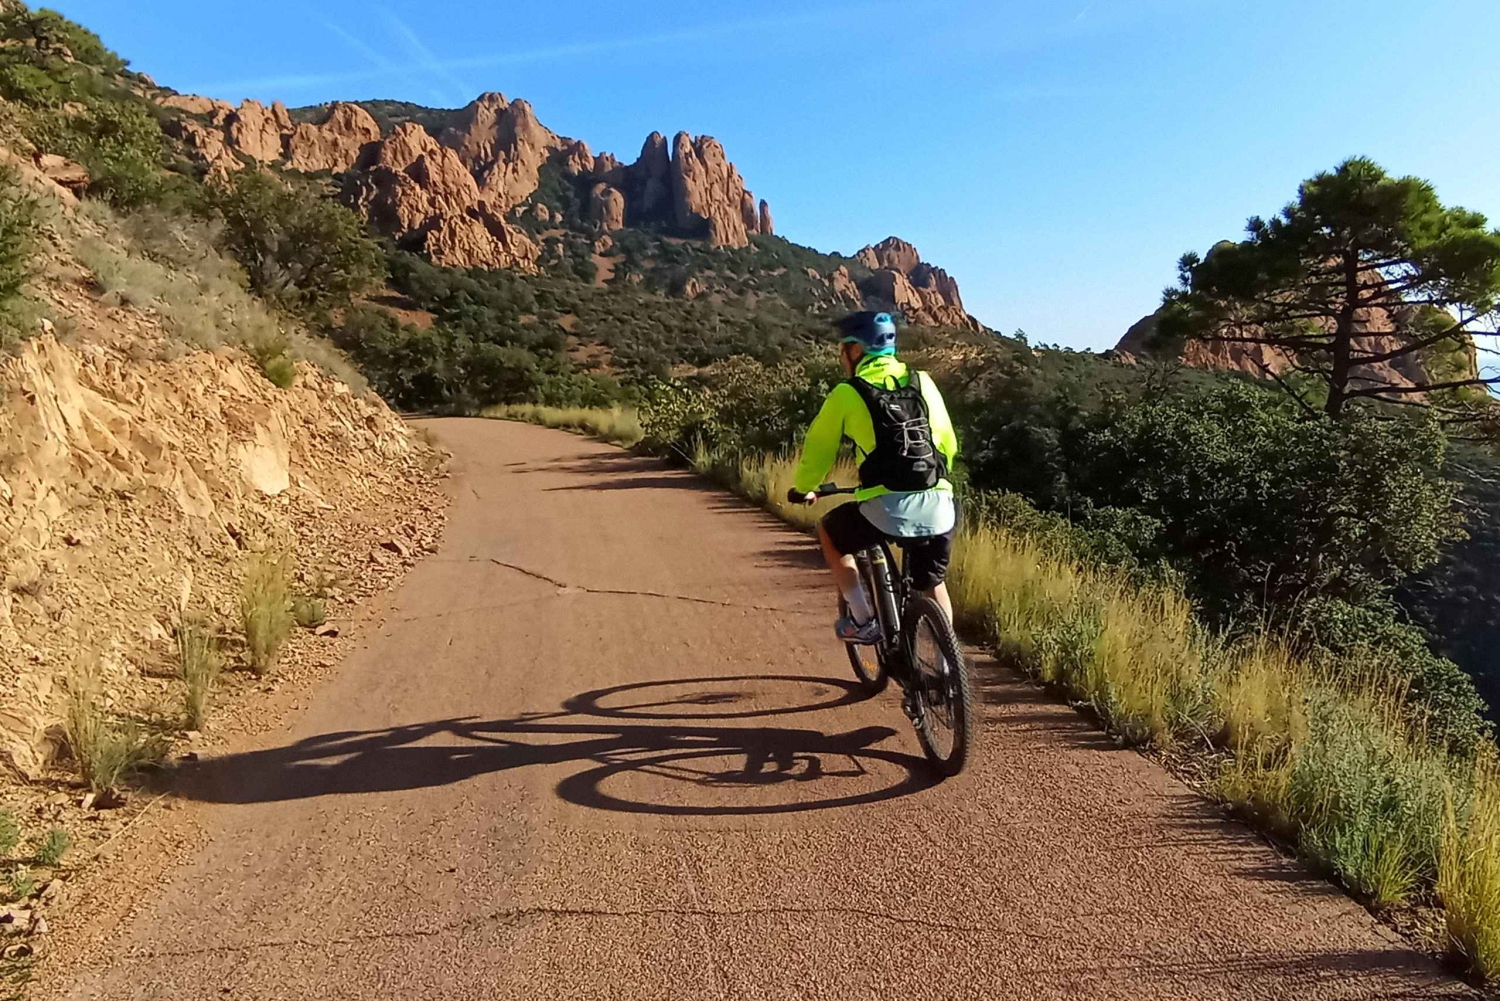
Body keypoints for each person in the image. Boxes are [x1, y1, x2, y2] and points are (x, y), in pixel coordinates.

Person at [787, 311, 959, 644]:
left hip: (885, 507)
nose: (842, 358)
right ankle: (947, 662)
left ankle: (862, 620)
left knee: (830, 532)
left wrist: (804, 488)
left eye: (843, 350)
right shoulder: (922, 381)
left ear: (856, 350)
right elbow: (947, 443)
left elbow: (819, 449)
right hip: (939, 503)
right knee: (932, 581)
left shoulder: (847, 392)